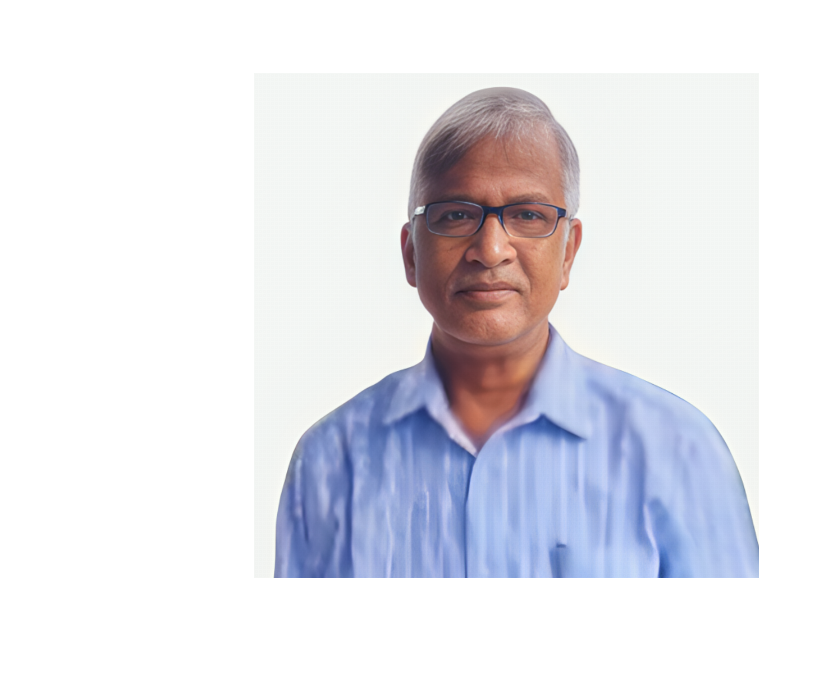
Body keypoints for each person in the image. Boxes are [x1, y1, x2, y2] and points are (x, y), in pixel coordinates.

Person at [275, 87, 758, 578]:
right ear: (410, 253)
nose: (490, 250)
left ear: (568, 252)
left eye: (528, 215)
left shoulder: (678, 449)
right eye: (456, 214)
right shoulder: (330, 460)